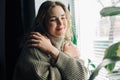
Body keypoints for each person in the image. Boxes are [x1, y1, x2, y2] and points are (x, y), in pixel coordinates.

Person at [13, 1, 88, 80]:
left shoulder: (68, 45)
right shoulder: (34, 45)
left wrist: (53, 51)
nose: (60, 23)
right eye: (53, 20)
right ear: (43, 22)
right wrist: (67, 55)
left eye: (63, 17)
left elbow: (81, 77)